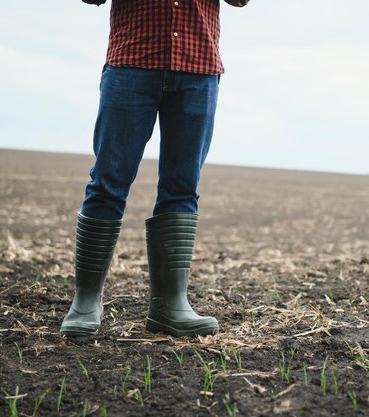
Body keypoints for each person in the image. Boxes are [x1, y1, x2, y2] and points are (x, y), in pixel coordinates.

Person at [61, 0, 250, 338]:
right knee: (108, 181)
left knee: (182, 187)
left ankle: (170, 306)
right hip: (132, 62)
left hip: (197, 66)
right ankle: (86, 300)